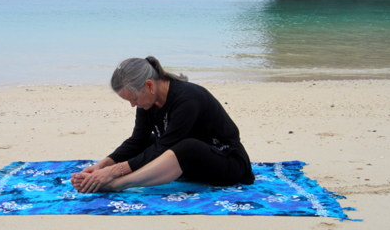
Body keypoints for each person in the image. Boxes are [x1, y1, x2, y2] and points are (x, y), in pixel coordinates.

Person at [71, 56, 254, 193]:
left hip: (227, 165)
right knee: (148, 141)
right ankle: (110, 177)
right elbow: (137, 140)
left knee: (186, 146)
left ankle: (119, 184)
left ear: (149, 85)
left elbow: (164, 147)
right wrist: (101, 166)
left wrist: (114, 172)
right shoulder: (149, 101)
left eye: (133, 99)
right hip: (188, 164)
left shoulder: (188, 99)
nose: (133, 105)